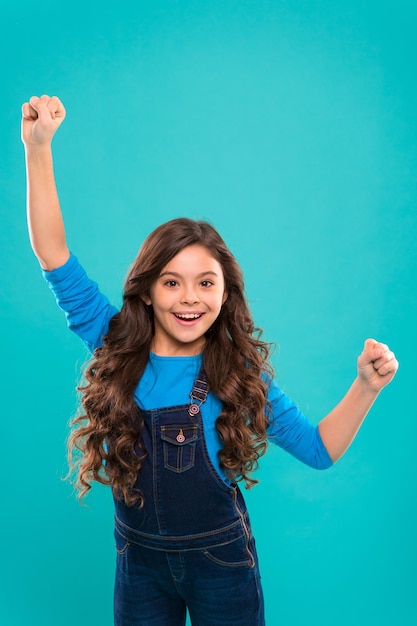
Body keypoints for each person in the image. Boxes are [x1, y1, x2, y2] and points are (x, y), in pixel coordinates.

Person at [22, 94, 398, 626]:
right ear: (147, 291)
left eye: (205, 283)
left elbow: (319, 449)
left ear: (225, 294)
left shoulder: (237, 374)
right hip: (140, 568)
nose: (189, 298)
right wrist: (38, 149)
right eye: (171, 283)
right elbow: (52, 255)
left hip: (222, 566)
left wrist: (366, 386)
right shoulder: (113, 343)